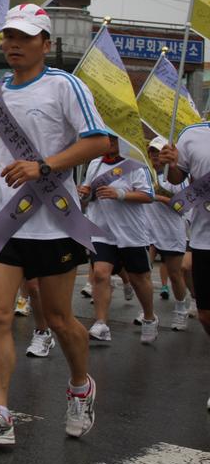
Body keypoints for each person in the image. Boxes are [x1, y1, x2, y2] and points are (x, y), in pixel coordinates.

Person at [0, 3, 112, 446]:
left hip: (54, 223)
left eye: (24, 38)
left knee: (61, 319)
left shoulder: (64, 86)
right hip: (4, 221)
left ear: (46, 44)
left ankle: (81, 386)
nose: (13, 45)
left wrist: (42, 166)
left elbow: (98, 141)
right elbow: (7, 154)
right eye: (8, 37)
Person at [79, 136, 157, 344]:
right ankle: (101, 324)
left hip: (130, 232)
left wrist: (119, 193)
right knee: (100, 274)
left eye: (113, 139)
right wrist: (84, 194)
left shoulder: (135, 164)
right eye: (106, 139)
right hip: (101, 230)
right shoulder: (95, 164)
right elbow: (87, 197)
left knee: (139, 279)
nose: (109, 143)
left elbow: (148, 195)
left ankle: (149, 317)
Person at [157, 124, 210, 407]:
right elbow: (178, 178)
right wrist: (173, 164)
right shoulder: (193, 134)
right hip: (204, 238)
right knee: (204, 315)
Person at [144, 136, 191, 330]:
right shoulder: (145, 174)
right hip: (148, 231)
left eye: (159, 152)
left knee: (175, 273)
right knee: (143, 274)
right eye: (152, 152)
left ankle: (181, 309)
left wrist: (160, 197)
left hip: (171, 231)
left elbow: (183, 207)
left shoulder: (177, 178)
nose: (155, 156)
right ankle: (147, 311)